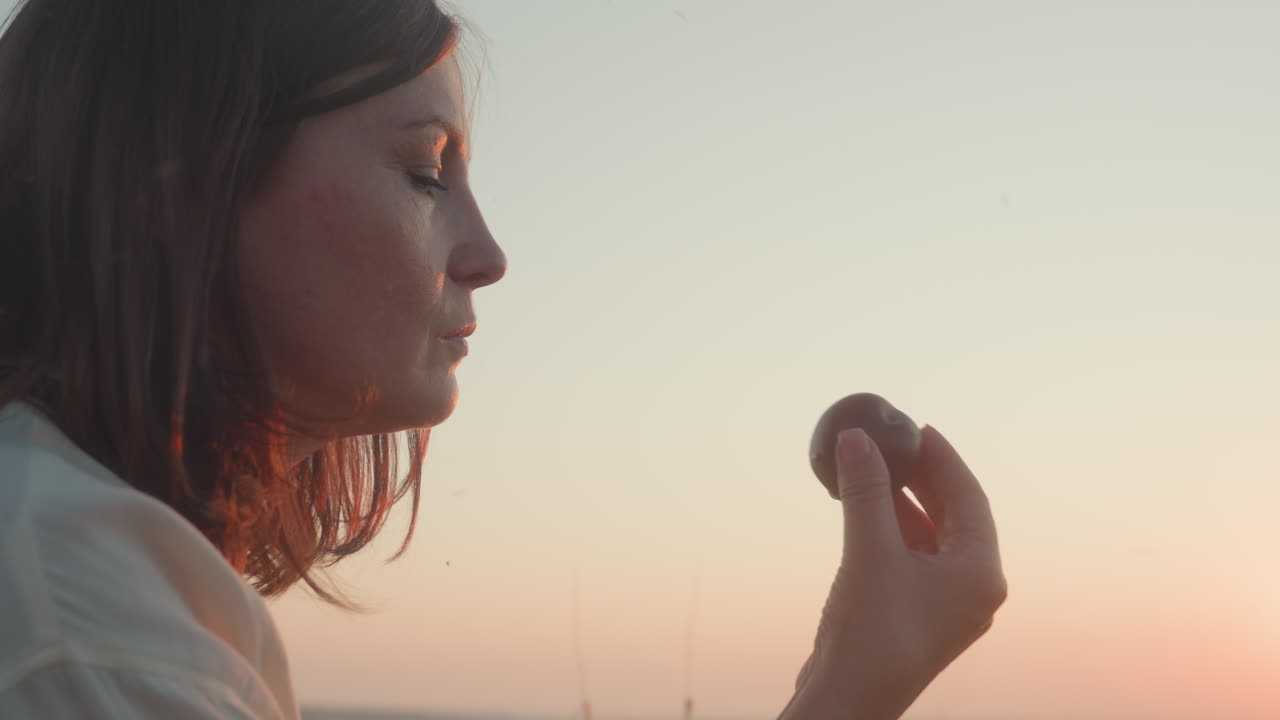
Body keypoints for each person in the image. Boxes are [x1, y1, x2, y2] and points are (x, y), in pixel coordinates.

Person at [0, 1, 1007, 718]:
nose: (487, 256)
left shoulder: (81, 564)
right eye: (425, 170)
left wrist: (837, 684)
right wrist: (848, 697)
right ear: (189, 177)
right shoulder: (89, 634)